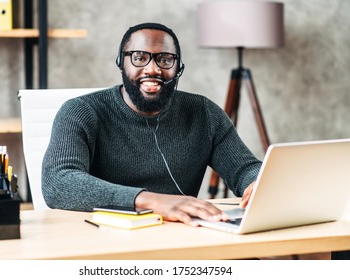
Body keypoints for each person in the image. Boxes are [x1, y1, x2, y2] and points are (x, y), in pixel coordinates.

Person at [42, 22, 262, 226]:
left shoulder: (203, 112)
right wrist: (151, 201)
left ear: (179, 68)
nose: (153, 69)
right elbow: (59, 182)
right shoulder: (80, 111)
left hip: (184, 234)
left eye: (165, 59)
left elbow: (245, 168)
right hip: (109, 238)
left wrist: (258, 183)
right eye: (139, 57)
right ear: (121, 62)